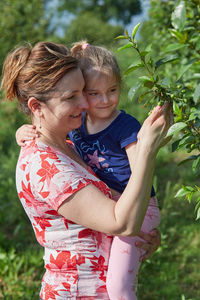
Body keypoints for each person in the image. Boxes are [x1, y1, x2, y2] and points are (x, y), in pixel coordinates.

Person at [3, 41, 171, 300]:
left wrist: (143, 235)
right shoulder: (44, 166)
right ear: (36, 107)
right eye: (71, 97)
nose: (85, 103)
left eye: (83, 91)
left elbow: (118, 212)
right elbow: (121, 223)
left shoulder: (71, 144)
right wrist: (147, 148)